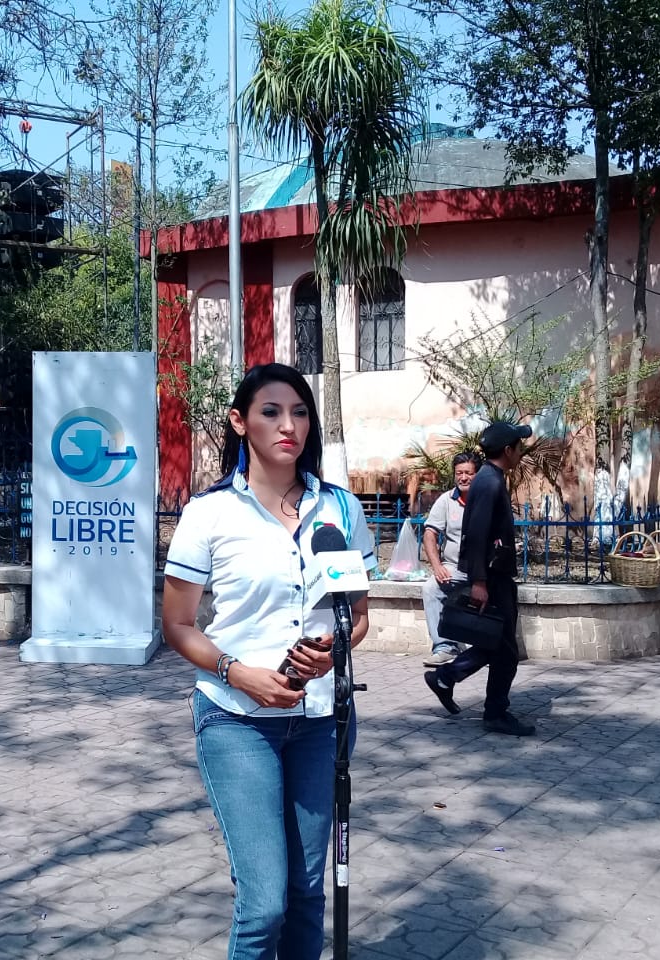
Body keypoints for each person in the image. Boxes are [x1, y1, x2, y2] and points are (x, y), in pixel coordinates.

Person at [161, 363, 376, 960]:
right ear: (240, 421)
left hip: (320, 722)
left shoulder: (341, 509)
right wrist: (238, 673)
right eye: (272, 412)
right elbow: (177, 625)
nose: (289, 426)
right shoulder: (209, 514)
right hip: (236, 720)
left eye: (300, 413)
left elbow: (358, 615)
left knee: (307, 894)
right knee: (264, 905)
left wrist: (334, 652)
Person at [423, 421, 536, 736]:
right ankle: (494, 712)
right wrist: (479, 582)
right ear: (508, 450)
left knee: (498, 644)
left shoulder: (490, 478)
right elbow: (475, 535)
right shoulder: (488, 483)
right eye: (518, 447)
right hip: (491, 578)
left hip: (496, 576)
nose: (520, 452)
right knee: (505, 650)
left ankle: (446, 678)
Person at [421, 451, 481, 667]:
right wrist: (437, 567)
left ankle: (490, 648)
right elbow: (430, 533)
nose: (463, 478)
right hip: (454, 567)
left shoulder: (487, 498)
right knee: (430, 588)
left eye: (468, 473)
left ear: (478, 475)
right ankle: (444, 647)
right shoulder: (446, 500)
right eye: (459, 473)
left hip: (484, 569)